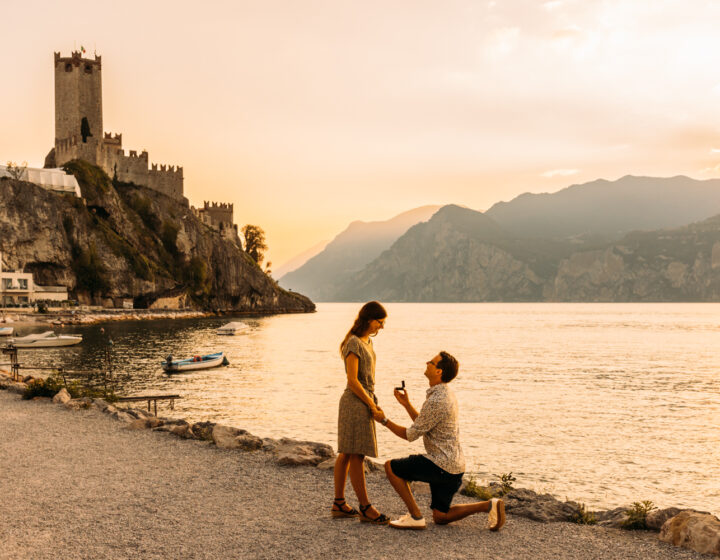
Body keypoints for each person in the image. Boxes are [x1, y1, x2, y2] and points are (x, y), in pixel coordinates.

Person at [374, 351, 505, 531]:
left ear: (439, 372)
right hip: (455, 466)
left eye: (432, 362)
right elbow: (424, 424)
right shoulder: (445, 394)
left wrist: (383, 420)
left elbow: (410, 435)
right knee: (441, 517)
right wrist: (406, 404)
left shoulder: (437, 399)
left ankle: (415, 516)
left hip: (441, 464)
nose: (427, 362)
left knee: (391, 467)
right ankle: (488, 505)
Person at [331, 301, 390, 524]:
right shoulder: (354, 343)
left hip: (362, 400)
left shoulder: (367, 342)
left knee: (347, 452)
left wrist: (373, 401)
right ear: (369, 319)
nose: (382, 327)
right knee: (355, 453)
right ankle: (365, 508)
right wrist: (371, 404)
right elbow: (353, 380)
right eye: (380, 322)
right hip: (355, 402)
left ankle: (339, 503)